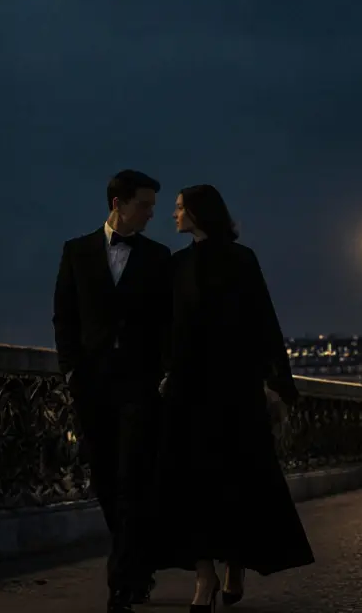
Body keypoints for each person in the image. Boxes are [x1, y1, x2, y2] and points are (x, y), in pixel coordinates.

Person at [150, 184, 314, 611]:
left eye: (180, 207)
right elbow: (167, 326)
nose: (174, 215)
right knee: (192, 485)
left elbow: (263, 320)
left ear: (199, 213)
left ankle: (235, 562)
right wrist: (167, 371)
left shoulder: (243, 260)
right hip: (189, 389)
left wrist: (275, 382)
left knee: (235, 482)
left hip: (235, 389)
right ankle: (204, 577)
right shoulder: (177, 264)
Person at [52, 169, 172, 613]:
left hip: (141, 385)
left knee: (130, 481)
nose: (151, 214)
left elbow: (169, 322)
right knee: (105, 480)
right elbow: (64, 317)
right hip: (92, 385)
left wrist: (164, 371)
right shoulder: (76, 251)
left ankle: (122, 580)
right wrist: (70, 372)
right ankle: (137, 566)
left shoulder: (159, 258)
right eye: (144, 205)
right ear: (118, 204)